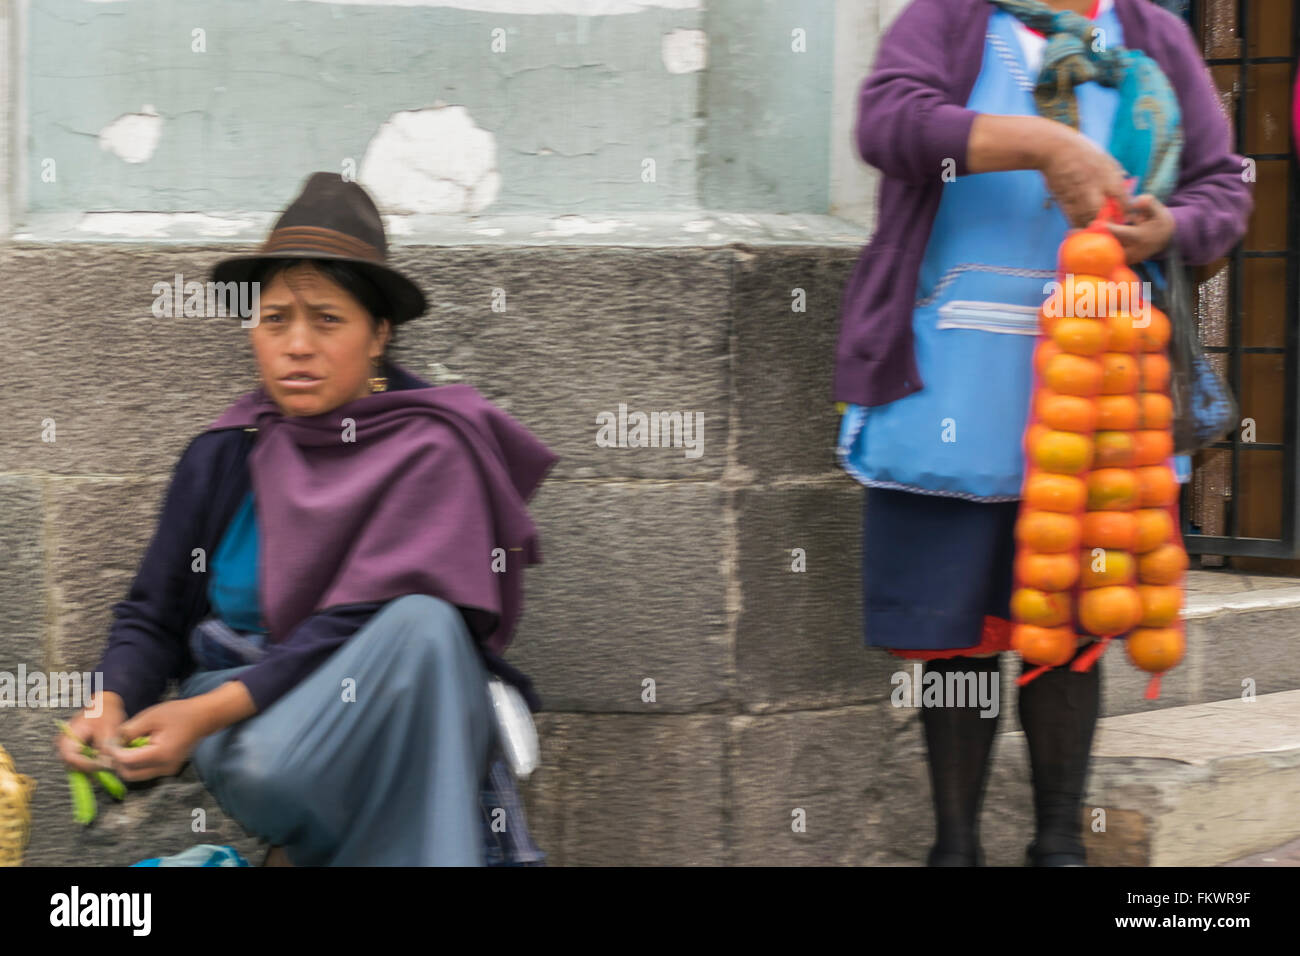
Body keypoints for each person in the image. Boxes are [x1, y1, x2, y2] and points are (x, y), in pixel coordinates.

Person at [834, 0, 1251, 865]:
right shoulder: (948, 20)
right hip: (956, 375)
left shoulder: (1152, 34)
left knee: (1076, 623)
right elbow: (889, 123)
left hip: (1107, 390)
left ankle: (1059, 844)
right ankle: (956, 849)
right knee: (958, 631)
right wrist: (1044, 144)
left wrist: (1173, 226)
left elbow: (1222, 184)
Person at [55, 172, 556, 866]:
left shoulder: (434, 444)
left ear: (378, 334)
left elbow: (353, 623)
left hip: (383, 723)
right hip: (259, 743)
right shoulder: (227, 454)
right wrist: (109, 703)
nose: (296, 345)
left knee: (424, 627)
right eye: (275, 319)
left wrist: (198, 714)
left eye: (326, 319)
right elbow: (152, 615)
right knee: (281, 758)